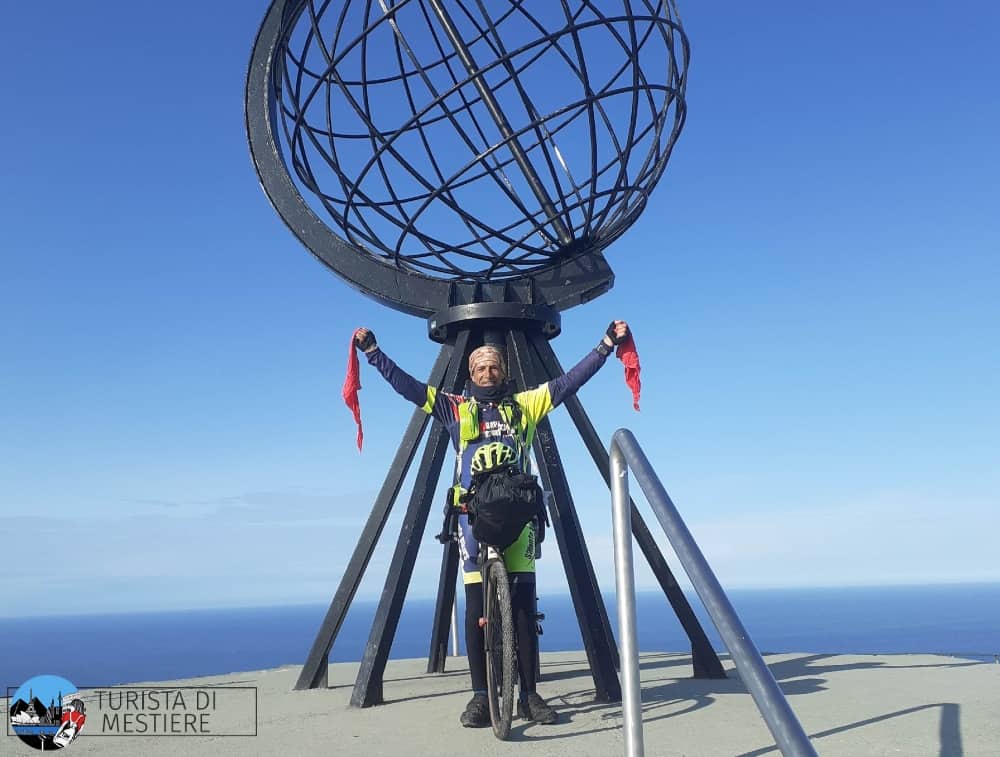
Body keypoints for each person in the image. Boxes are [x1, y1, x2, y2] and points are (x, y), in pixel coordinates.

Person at [354, 320, 631, 727]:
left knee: (522, 611)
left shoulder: (526, 405)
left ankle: (530, 695)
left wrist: (606, 345)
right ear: (470, 374)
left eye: (494, 367)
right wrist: (374, 354)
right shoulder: (456, 408)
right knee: (473, 612)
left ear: (504, 371)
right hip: (472, 520)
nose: (488, 373)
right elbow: (410, 387)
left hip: (519, 520)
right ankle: (481, 697)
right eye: (481, 368)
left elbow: (571, 381)